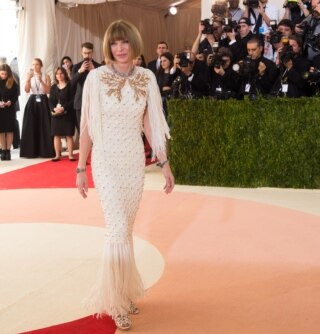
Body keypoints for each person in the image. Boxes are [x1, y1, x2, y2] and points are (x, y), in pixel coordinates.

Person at [75, 19, 175, 330]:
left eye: (125, 42)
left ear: (133, 44)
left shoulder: (147, 78)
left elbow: (151, 124)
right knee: (116, 229)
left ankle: (124, 291)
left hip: (133, 162)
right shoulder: (95, 78)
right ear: (109, 47)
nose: (120, 48)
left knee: (126, 230)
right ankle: (115, 300)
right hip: (105, 161)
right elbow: (88, 125)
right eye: (115, 43)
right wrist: (81, 167)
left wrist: (164, 162)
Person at [20, 58, 54, 158]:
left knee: (45, 125)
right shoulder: (29, 76)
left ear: (41, 65)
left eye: (37, 64)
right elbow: (26, 90)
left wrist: (41, 81)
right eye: (33, 64)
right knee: (31, 125)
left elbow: (48, 91)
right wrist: (27, 79)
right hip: (32, 100)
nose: (35, 66)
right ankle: (31, 152)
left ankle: (45, 151)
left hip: (43, 100)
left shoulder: (46, 76)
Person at [71, 42, 101, 132]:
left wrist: (94, 71)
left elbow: (102, 85)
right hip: (80, 102)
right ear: (81, 52)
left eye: (89, 53)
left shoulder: (99, 67)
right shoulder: (76, 67)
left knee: (94, 129)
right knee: (82, 130)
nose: (87, 55)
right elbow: (72, 84)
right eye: (85, 53)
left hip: (94, 102)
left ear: (92, 53)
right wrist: (80, 71)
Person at [49, 67, 76, 161]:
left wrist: (63, 108)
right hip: (56, 114)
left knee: (69, 135)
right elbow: (50, 101)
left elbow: (72, 100)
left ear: (65, 74)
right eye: (57, 74)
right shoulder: (53, 87)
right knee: (56, 135)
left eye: (61, 73)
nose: (59, 75)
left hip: (67, 114)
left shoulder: (70, 85)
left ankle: (71, 155)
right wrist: (54, 109)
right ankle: (57, 155)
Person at [0, 64, 19, 161]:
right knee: (1, 131)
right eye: (2, 74)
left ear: (9, 74)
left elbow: (16, 96)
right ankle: (3, 150)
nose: (3, 76)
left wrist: (10, 102)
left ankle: (8, 151)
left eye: (5, 74)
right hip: (0, 110)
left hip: (10, 109)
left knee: (9, 130)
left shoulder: (13, 82)